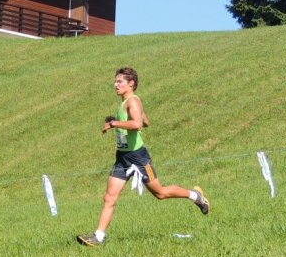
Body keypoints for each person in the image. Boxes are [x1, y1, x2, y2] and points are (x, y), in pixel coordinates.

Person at [77, 67, 209, 247]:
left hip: (138, 157)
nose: (115, 85)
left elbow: (137, 124)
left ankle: (195, 195)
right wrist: (122, 121)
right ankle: (98, 237)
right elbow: (145, 121)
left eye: (119, 81)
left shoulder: (133, 101)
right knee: (110, 197)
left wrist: (114, 123)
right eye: (115, 81)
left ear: (131, 84)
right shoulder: (126, 103)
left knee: (160, 193)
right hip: (123, 157)